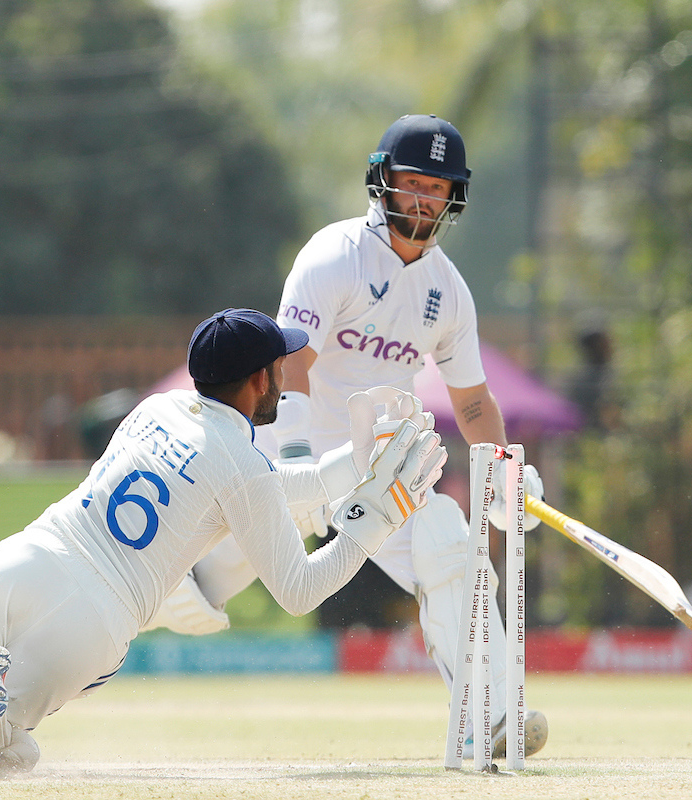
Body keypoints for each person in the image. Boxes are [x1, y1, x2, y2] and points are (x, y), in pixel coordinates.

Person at [0, 308, 448, 776]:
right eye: (279, 369)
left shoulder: (157, 409)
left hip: (33, 559)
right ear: (260, 378)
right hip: (97, 624)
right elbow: (299, 589)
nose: (283, 380)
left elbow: (257, 486)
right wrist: (378, 516)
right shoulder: (243, 467)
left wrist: (353, 462)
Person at [152, 115, 549, 759]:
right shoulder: (336, 254)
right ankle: (119, 611)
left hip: (378, 464)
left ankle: (490, 715)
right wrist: (304, 461)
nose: (422, 199)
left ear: (454, 198)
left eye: (436, 188)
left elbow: (473, 400)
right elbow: (292, 362)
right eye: (411, 182)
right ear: (382, 181)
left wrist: (501, 468)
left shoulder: (448, 291)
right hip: (294, 450)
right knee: (180, 587)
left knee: (447, 540)